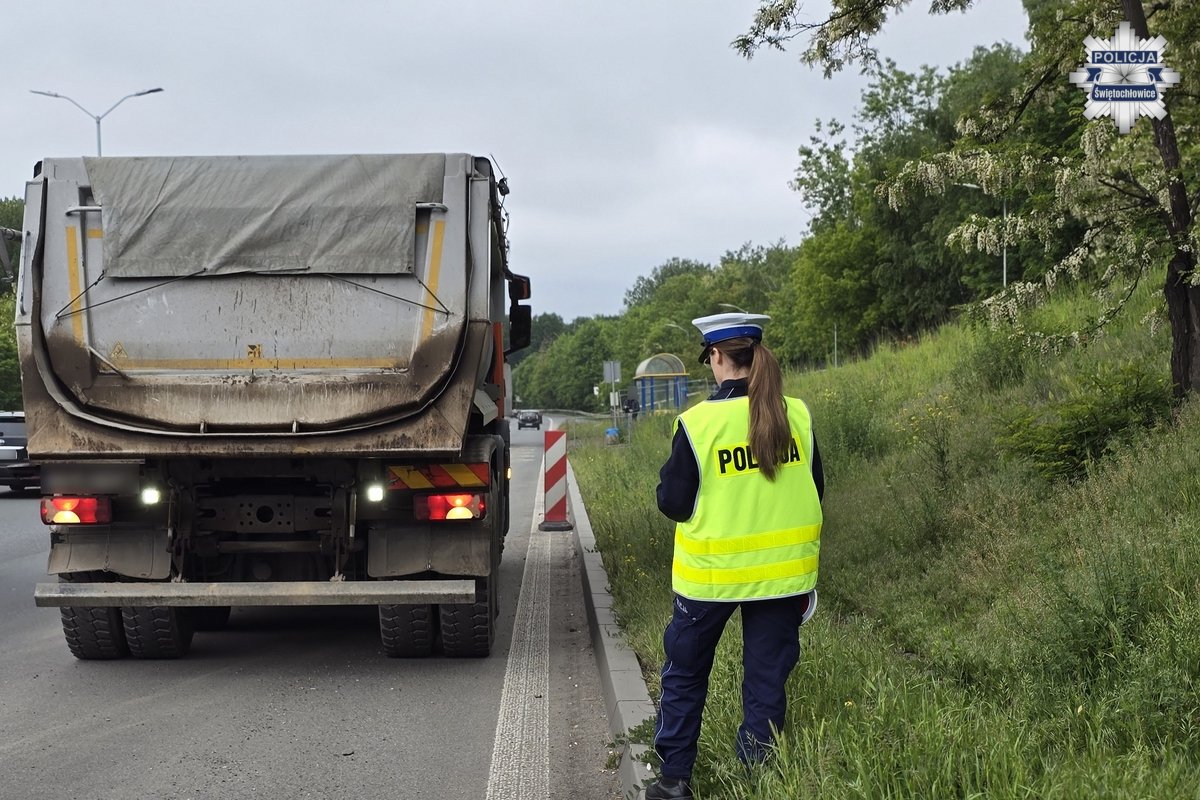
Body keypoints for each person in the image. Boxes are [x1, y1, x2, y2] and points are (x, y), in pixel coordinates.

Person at [645, 312, 824, 800]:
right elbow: (816, 490)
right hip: (783, 581)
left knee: (685, 676)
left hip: (710, 580)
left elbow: (674, 502)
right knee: (766, 682)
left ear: (717, 357)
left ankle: (674, 781)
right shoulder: (798, 415)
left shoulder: (699, 423)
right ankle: (757, 780)